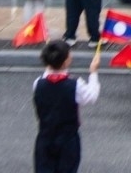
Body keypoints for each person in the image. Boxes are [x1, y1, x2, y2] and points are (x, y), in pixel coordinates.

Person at [33, 39, 101, 173]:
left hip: (45, 137)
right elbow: (91, 96)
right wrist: (93, 72)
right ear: (65, 62)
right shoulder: (75, 85)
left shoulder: (37, 84)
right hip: (68, 139)